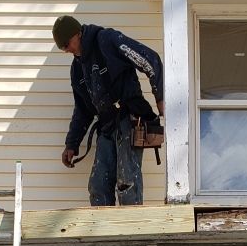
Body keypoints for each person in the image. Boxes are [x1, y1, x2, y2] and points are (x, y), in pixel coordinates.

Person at [53, 15, 165, 206]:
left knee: (126, 181)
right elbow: (82, 110)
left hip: (130, 118)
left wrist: (161, 98)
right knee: (97, 186)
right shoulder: (77, 69)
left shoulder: (106, 40)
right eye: (62, 47)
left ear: (78, 34)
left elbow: (149, 59)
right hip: (107, 126)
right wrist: (71, 144)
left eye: (67, 44)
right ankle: (101, 234)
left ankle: (132, 230)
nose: (66, 50)